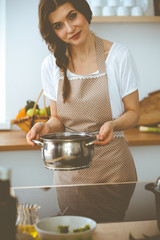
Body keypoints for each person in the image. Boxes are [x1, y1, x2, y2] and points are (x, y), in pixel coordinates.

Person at [26, 0, 140, 185]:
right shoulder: (51, 65)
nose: (70, 28)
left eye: (72, 16)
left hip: (114, 169)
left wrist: (113, 124)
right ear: (53, 31)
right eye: (58, 25)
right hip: (68, 171)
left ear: (84, 12)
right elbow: (57, 119)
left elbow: (134, 113)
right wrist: (45, 127)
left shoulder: (118, 56)